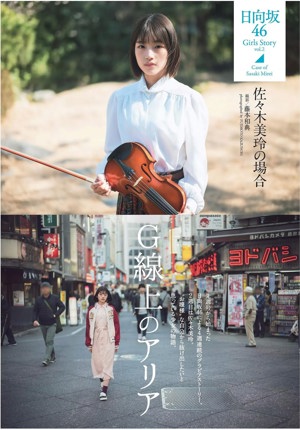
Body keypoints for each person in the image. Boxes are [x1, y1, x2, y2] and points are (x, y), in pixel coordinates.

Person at [92, 13, 208, 215]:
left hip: (171, 196)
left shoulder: (188, 99)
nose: (149, 55)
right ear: (133, 50)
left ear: (171, 50)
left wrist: (189, 207)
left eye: (157, 46)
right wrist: (104, 178)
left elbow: (196, 161)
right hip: (131, 199)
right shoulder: (120, 98)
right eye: (141, 46)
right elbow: (114, 154)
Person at [85, 286, 120, 401]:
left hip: (109, 338)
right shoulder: (91, 309)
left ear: (107, 296)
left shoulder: (111, 309)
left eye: (105, 294)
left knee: (107, 364)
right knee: (98, 364)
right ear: (97, 296)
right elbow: (88, 326)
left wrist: (116, 342)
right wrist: (89, 342)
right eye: (100, 294)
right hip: (96, 338)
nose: (103, 296)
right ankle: (103, 383)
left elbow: (116, 325)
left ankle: (104, 391)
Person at [32, 282, 65, 366]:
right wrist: (35, 320)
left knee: (49, 341)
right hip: (42, 324)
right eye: (43, 288)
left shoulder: (55, 298)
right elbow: (35, 311)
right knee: (47, 342)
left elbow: (62, 307)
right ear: (41, 289)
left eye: (46, 288)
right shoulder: (38, 299)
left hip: (52, 323)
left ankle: (47, 359)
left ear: (50, 289)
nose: (45, 289)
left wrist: (56, 314)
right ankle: (52, 355)